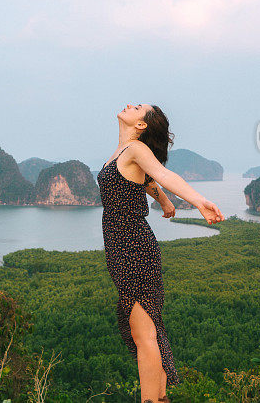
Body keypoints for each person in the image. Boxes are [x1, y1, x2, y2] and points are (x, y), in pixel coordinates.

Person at [97, 103, 224, 403]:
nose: (130, 105)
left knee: (144, 335)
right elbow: (149, 181)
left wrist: (198, 201)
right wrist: (166, 203)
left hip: (134, 248)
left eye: (138, 107)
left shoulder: (135, 150)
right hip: (122, 249)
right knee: (145, 328)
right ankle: (160, 394)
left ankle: (152, 400)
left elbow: (163, 174)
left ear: (141, 125)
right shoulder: (122, 154)